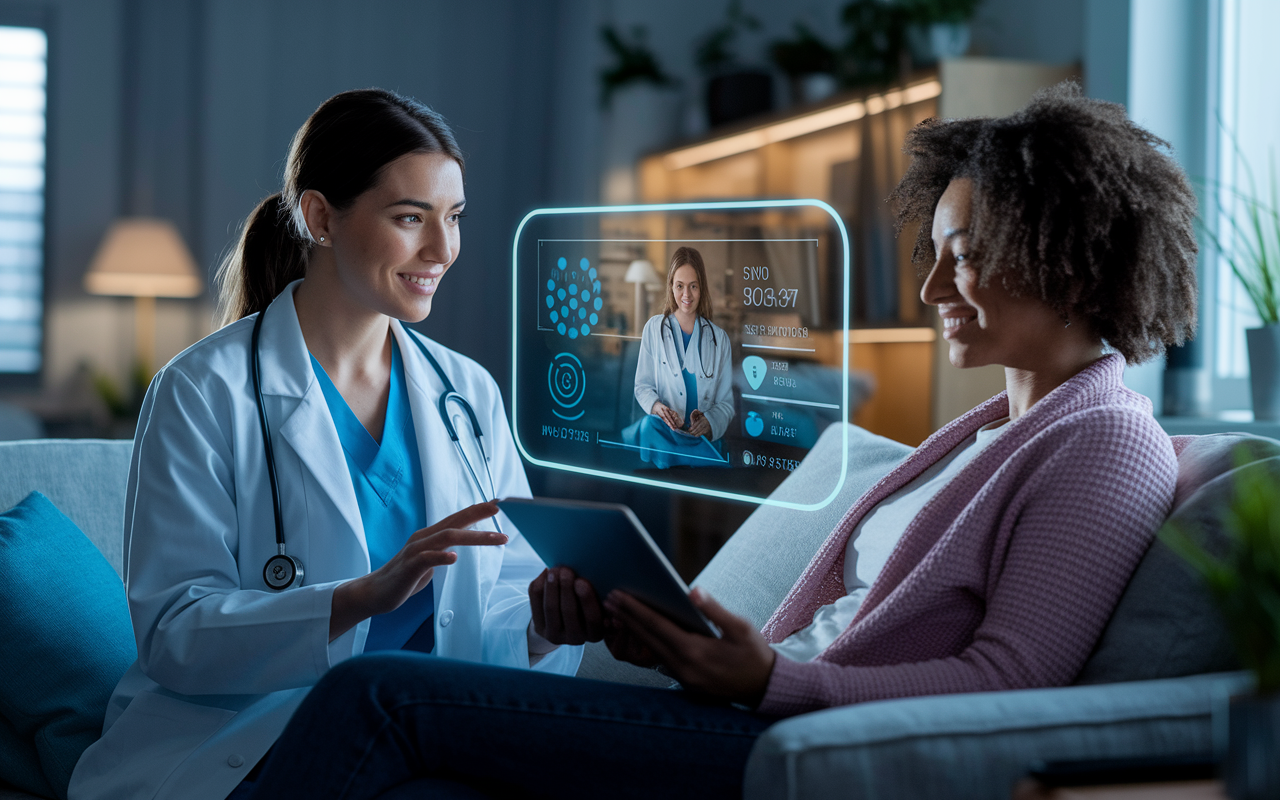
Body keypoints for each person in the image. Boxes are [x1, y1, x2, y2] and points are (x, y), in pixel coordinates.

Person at [241, 82, 1198, 799]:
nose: (932, 289)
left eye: (966, 257)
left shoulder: (1106, 445)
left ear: (1070, 261)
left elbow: (1010, 681)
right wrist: (665, 638)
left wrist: (777, 682)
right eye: (936, 254)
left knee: (380, 695)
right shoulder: (985, 432)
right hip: (746, 708)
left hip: (787, 742)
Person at [67, 89, 581, 800]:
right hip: (249, 744)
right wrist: (361, 597)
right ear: (319, 217)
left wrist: (543, 627)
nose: (442, 250)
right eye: (410, 218)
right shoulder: (202, 390)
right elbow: (177, 634)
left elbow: (500, 600)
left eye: (454, 218)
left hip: (423, 733)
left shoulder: (467, 394)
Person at [624, 246, 733, 467]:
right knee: (647, 428)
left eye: (693, 286)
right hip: (664, 433)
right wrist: (657, 407)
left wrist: (709, 422)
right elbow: (642, 386)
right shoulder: (654, 329)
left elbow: (727, 403)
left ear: (701, 287)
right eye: (680, 286)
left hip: (699, 439)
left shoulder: (719, 339)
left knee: (712, 470)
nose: (687, 295)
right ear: (671, 287)